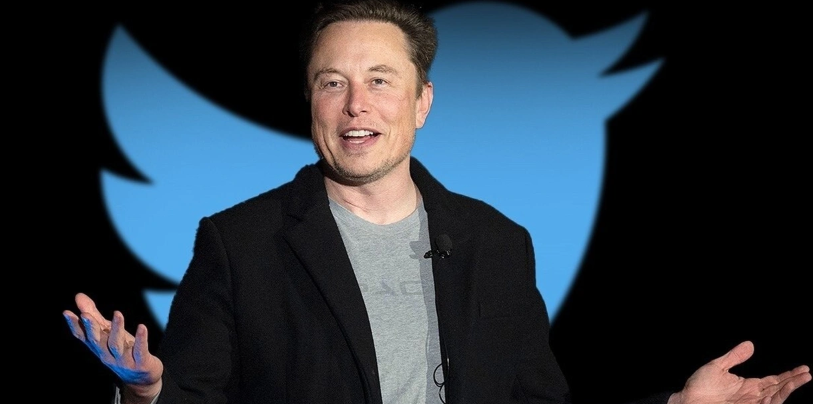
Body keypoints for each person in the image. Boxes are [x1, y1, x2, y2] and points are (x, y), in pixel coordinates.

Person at [63, 0, 811, 403]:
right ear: (310, 101)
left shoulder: (498, 242)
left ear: (422, 102)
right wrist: (150, 394)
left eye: (380, 81)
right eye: (331, 82)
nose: (355, 105)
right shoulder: (237, 242)